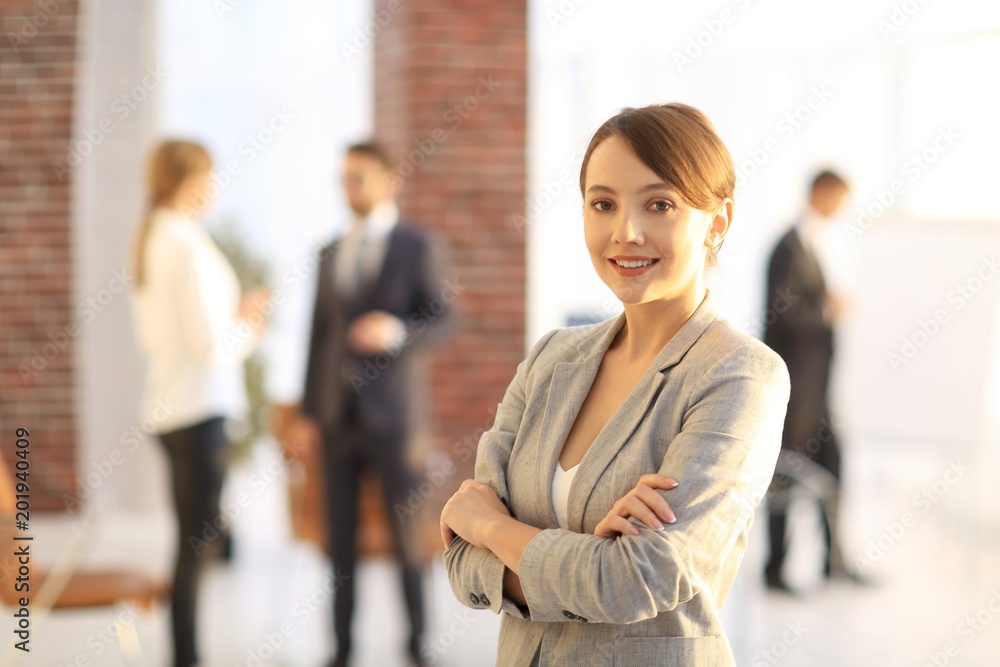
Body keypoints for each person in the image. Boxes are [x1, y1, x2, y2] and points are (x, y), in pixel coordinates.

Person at [439, 104, 790, 666]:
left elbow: (636, 581)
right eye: (603, 204)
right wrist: (584, 560)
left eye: (659, 204)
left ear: (717, 222)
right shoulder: (551, 359)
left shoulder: (739, 375)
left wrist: (492, 525)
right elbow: (460, 564)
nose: (625, 232)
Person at [288, 141, 453, 667]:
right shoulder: (330, 251)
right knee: (339, 541)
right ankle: (340, 649)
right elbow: (317, 336)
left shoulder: (416, 245)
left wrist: (397, 331)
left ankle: (418, 646)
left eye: (359, 178)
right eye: (343, 179)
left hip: (395, 420)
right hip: (338, 419)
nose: (349, 189)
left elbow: (445, 320)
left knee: (408, 538)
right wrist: (309, 413)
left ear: (390, 180)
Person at [129, 140, 269, 667]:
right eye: (209, 177)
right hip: (197, 410)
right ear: (188, 181)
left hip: (171, 407)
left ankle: (186, 652)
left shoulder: (158, 236)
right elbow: (211, 346)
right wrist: (251, 324)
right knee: (195, 543)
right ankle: (185, 656)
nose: (214, 188)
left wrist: (232, 318)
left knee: (196, 537)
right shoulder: (183, 244)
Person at [762, 169, 855, 592]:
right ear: (822, 191)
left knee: (833, 466)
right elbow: (782, 314)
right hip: (794, 393)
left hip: (817, 393)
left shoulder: (811, 244)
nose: (841, 208)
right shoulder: (787, 247)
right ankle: (775, 569)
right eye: (839, 198)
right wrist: (826, 311)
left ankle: (833, 562)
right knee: (782, 475)